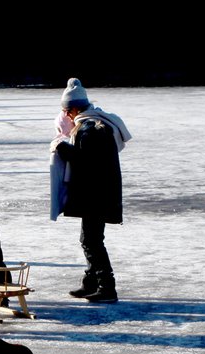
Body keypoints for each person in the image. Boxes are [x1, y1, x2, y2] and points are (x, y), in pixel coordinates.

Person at [51, 77, 132, 303]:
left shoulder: (89, 129)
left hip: (96, 196)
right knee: (90, 238)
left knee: (91, 241)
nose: (67, 117)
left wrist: (62, 148)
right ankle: (91, 282)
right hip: (101, 194)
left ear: (74, 109)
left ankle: (107, 287)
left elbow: (85, 162)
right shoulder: (97, 124)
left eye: (67, 112)